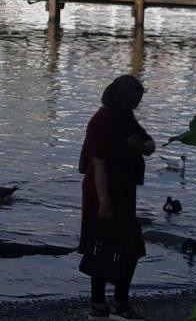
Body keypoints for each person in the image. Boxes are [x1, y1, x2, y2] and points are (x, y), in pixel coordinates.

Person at [78, 75, 155, 320]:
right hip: (104, 191)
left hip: (123, 189)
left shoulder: (124, 117)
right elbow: (98, 165)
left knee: (120, 246)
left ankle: (111, 303)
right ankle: (105, 303)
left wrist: (143, 146)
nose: (136, 106)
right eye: (133, 100)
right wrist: (104, 202)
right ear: (122, 98)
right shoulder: (101, 122)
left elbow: (148, 142)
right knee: (107, 245)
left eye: (138, 101)